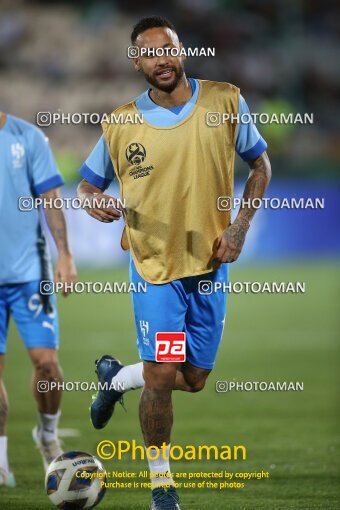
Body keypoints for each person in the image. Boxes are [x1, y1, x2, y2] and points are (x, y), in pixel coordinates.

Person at [77, 15, 271, 510]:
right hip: (155, 269)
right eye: (149, 52)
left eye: (168, 49)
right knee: (162, 376)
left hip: (209, 267)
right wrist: (91, 201)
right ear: (136, 61)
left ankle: (118, 378)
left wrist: (241, 225)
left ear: (181, 51)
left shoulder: (225, 100)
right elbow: (87, 184)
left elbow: (260, 165)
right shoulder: (121, 122)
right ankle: (162, 486)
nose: (160, 59)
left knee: (195, 378)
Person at [0, 112, 77, 487]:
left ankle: (47, 434)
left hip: (31, 272)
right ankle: (0, 460)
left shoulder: (28, 137)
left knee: (46, 365)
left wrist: (64, 253)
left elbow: (51, 198)